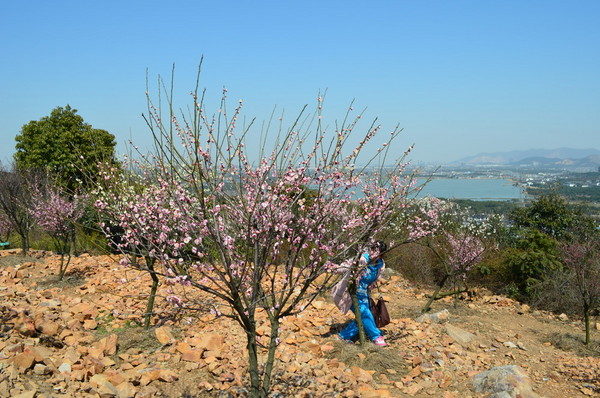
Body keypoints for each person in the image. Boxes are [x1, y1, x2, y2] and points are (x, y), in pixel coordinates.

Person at [332, 240, 388, 346]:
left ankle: (343, 336)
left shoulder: (381, 264)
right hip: (350, 293)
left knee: (362, 315)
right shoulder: (362, 259)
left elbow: (376, 278)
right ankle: (376, 336)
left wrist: (373, 283)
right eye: (372, 249)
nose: (373, 252)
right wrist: (335, 268)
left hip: (364, 295)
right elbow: (349, 265)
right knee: (365, 314)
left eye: (376, 251)